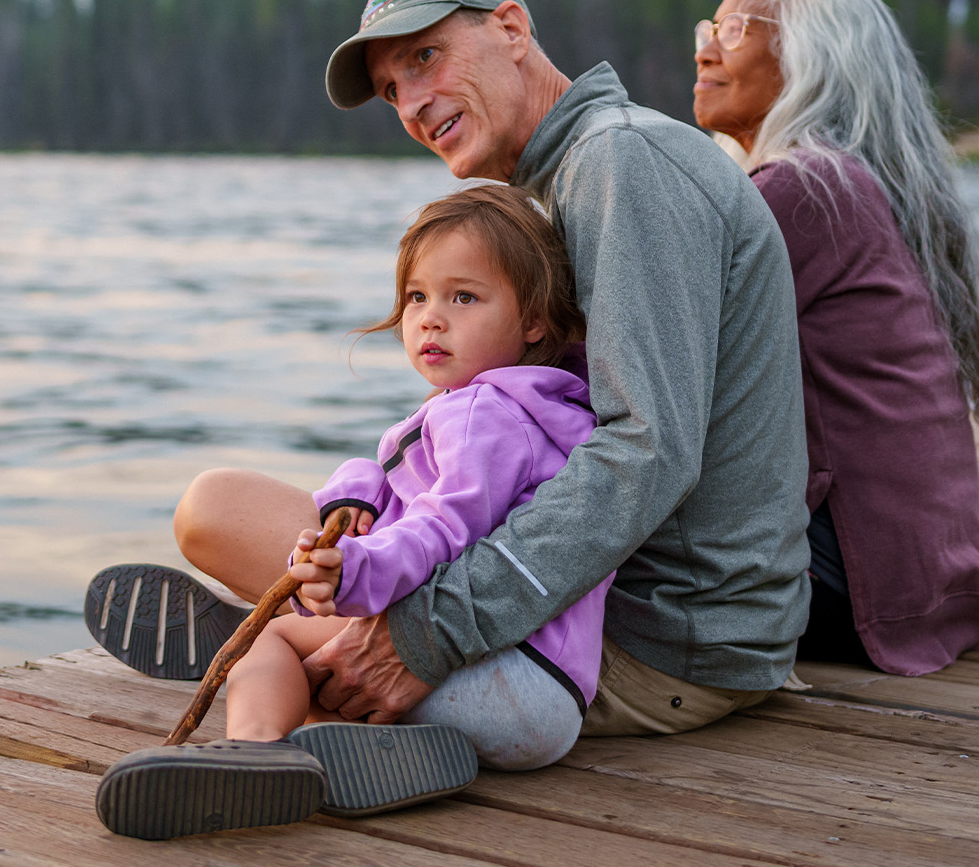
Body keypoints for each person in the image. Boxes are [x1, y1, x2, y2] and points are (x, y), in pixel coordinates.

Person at [91, 0, 810, 747]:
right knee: (213, 509)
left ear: (511, 28)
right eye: (394, 88)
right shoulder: (560, 181)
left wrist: (424, 636)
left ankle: (283, 658)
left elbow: (647, 451)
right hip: (580, 583)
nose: (414, 103)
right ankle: (286, 646)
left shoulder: (623, 164)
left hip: (657, 638)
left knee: (277, 584)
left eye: (425, 58)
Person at [92, 186, 608, 841]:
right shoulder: (539, 413)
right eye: (417, 296)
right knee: (297, 642)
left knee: (270, 639)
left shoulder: (482, 412)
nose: (430, 319)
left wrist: (355, 574)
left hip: (496, 670)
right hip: (548, 700)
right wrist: (352, 489)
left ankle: (250, 753)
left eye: (464, 297)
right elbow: (407, 481)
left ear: (535, 320)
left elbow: (446, 530)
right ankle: (384, 752)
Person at [694, 0, 979, 674]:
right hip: (926, 577)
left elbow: (645, 354)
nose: (708, 50)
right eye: (707, 30)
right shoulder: (847, 180)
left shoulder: (802, 188)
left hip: (864, 586)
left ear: (811, 57)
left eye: (736, 30)